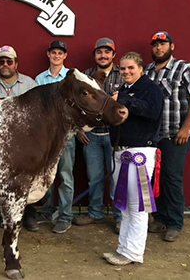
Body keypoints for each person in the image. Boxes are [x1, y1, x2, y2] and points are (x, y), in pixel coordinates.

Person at [103, 51, 163, 265]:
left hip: (139, 153)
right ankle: (124, 248)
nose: (126, 72)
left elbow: (153, 112)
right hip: (123, 151)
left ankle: (133, 252)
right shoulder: (125, 90)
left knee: (137, 206)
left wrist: (127, 100)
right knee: (125, 205)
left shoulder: (150, 89)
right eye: (123, 68)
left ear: (140, 68)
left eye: (130, 68)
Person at [145, 31, 190, 242]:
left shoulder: (184, 68)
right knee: (154, 178)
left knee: (171, 177)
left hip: (175, 135)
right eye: (155, 45)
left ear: (172, 46)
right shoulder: (147, 72)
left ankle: (174, 222)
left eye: (163, 44)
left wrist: (186, 127)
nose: (159, 48)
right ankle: (159, 217)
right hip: (153, 136)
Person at [0, 45, 38, 231]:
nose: (5, 65)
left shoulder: (30, 84)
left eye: (9, 61)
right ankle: (6, 216)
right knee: (2, 179)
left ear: (16, 63)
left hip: (25, 141)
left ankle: (29, 215)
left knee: (25, 179)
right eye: (1, 61)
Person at [74, 38, 123, 233]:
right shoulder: (85, 76)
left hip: (115, 135)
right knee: (93, 177)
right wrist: (79, 128)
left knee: (116, 178)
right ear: (94, 55)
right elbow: (76, 106)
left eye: (107, 52)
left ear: (113, 54)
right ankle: (95, 213)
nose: (103, 55)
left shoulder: (124, 74)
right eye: (99, 52)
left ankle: (119, 217)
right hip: (92, 135)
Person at [34, 40, 75, 234]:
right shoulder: (39, 79)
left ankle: (65, 215)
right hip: (45, 136)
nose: (57, 56)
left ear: (65, 56)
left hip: (65, 135)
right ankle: (46, 210)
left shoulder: (72, 78)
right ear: (48, 55)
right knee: (46, 176)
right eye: (54, 52)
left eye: (60, 53)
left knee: (65, 176)